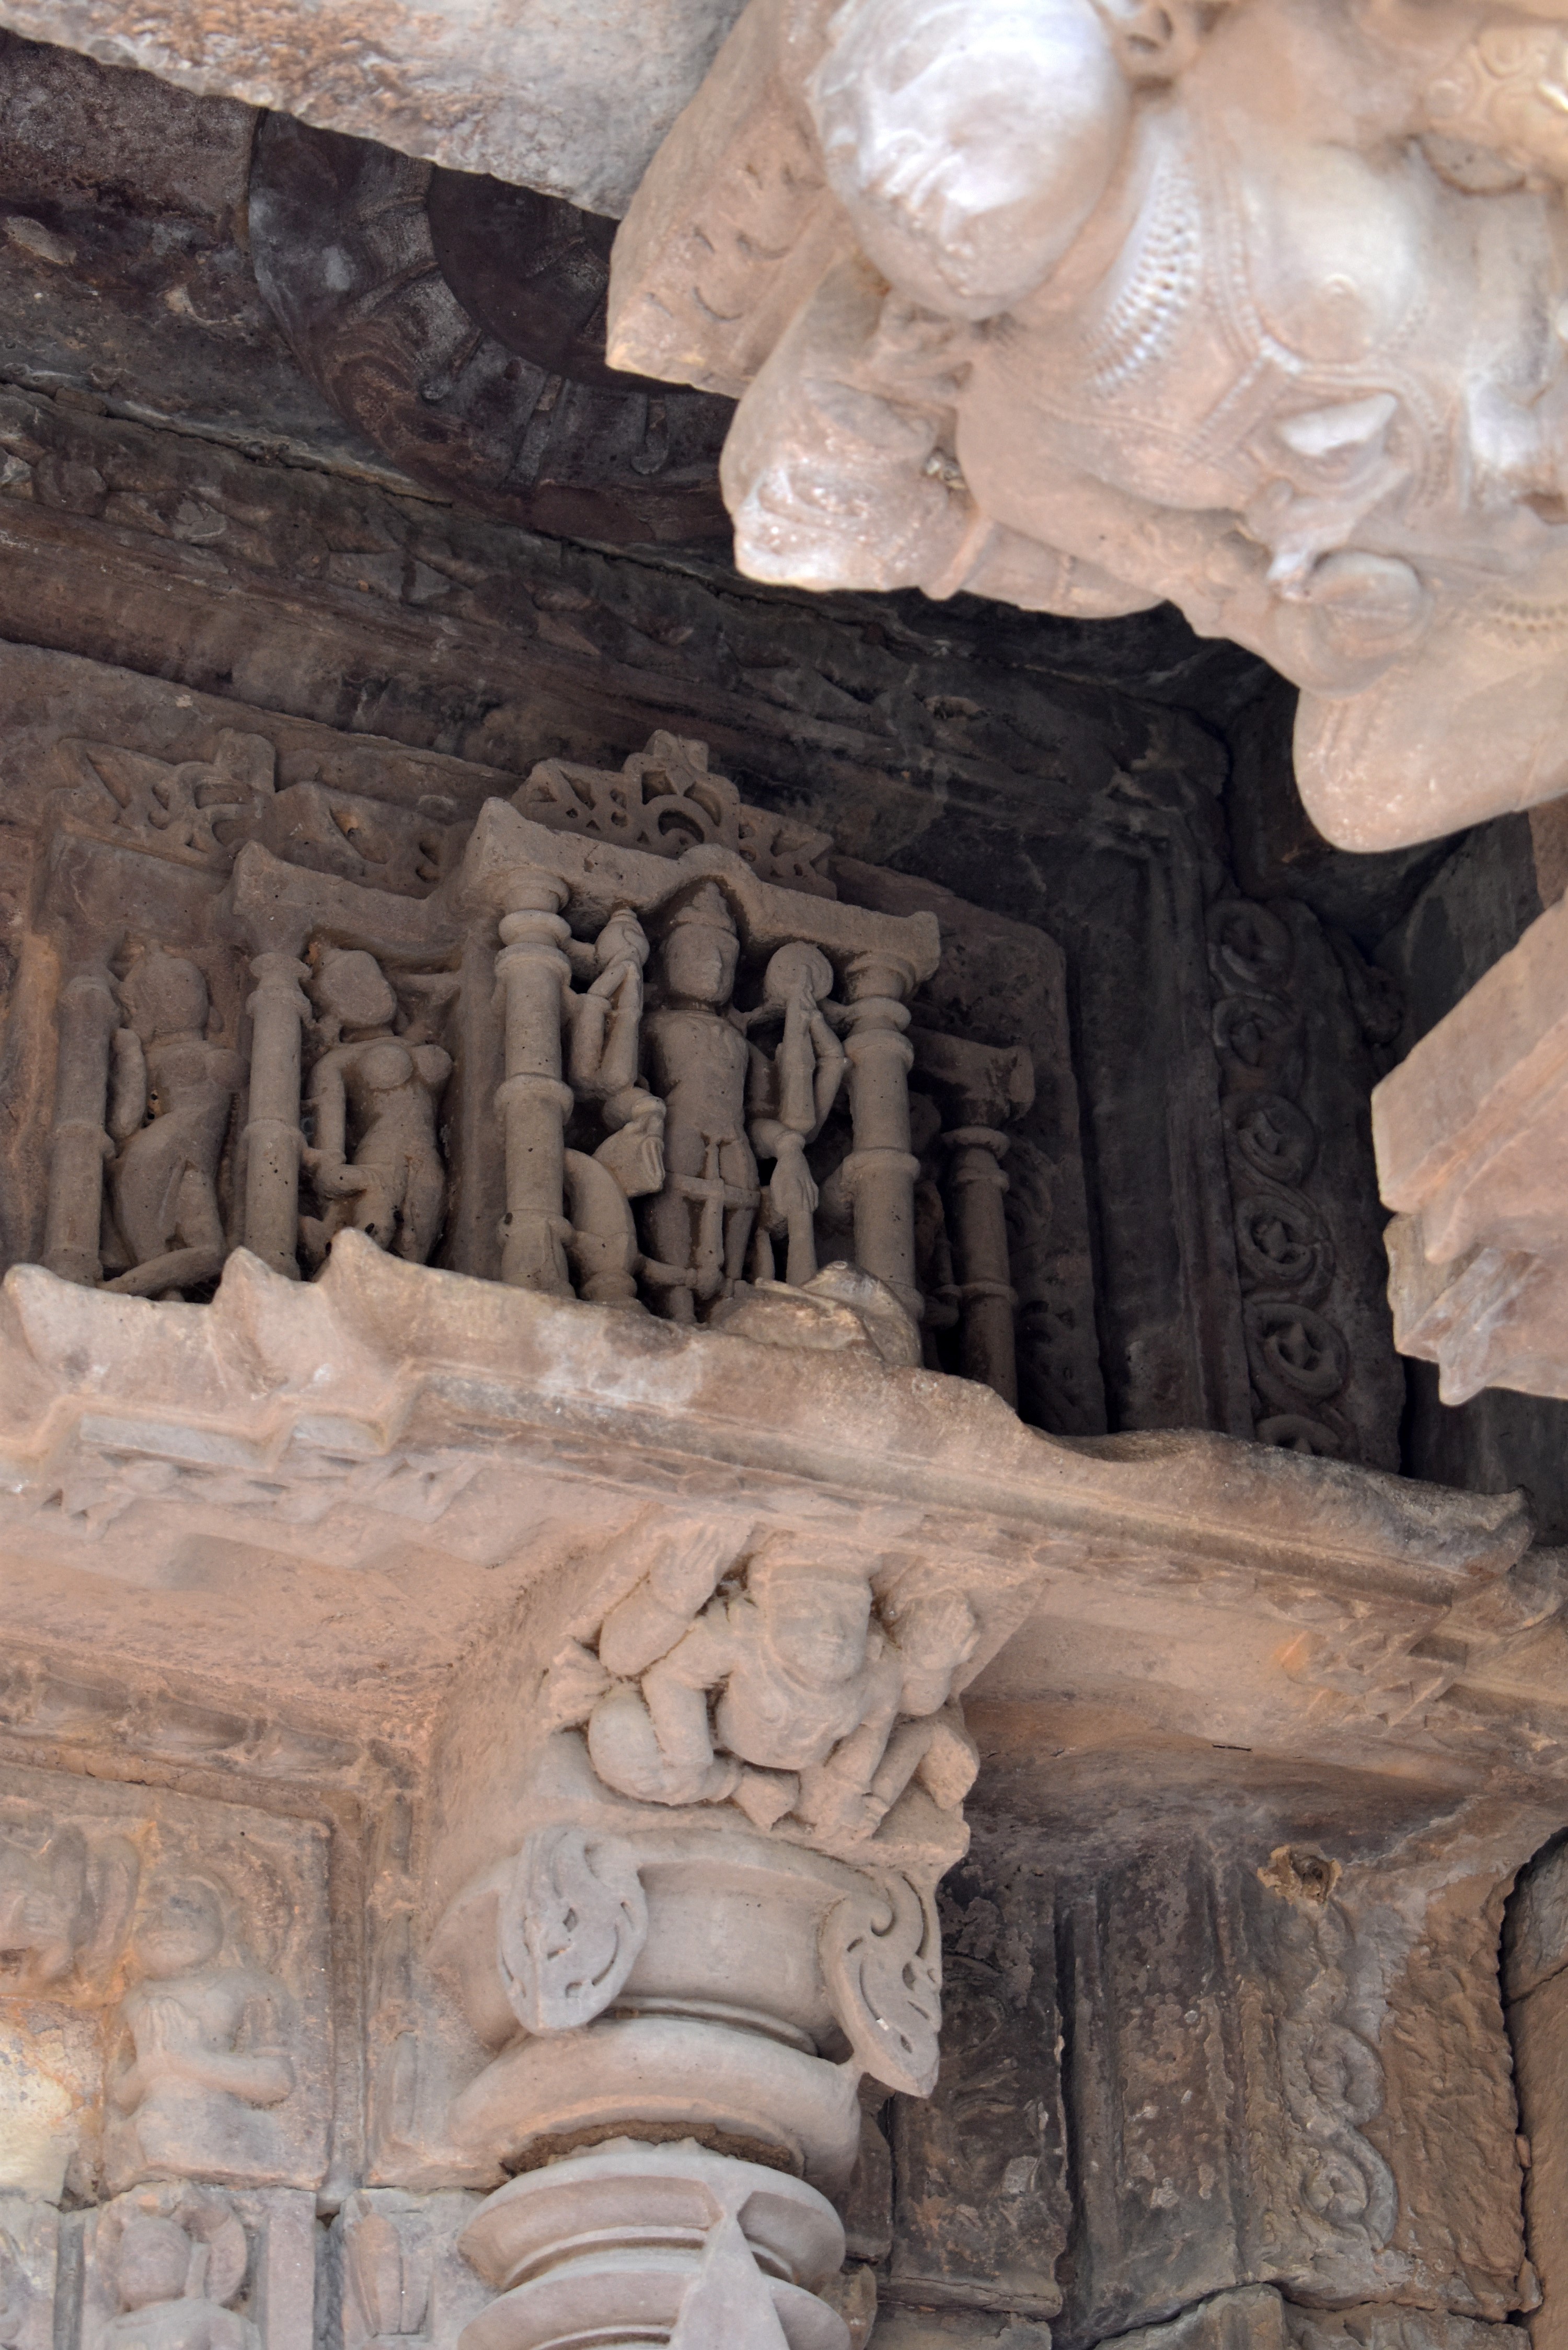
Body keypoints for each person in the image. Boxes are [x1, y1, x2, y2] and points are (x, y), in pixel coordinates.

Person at [106, 948, 244, 1297]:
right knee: (169, 1257)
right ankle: (120, 1290)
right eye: (167, 991)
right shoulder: (151, 1058)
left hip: (193, 1163)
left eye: (190, 985)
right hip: (153, 1158)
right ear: (147, 1009)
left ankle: (120, 1290)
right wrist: (131, 1055)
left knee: (210, 1254)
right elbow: (123, 1125)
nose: (184, 996)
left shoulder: (222, 1055)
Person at [301, 950, 449, 1264]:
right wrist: (341, 1175)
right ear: (333, 1012)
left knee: (415, 1252)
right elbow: (327, 1152)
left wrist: (408, 979)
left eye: (374, 978)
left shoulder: (417, 1038)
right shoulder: (337, 1062)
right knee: (374, 1241)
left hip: (428, 1156)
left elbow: (448, 989)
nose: (374, 991)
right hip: (381, 1159)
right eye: (350, 989)